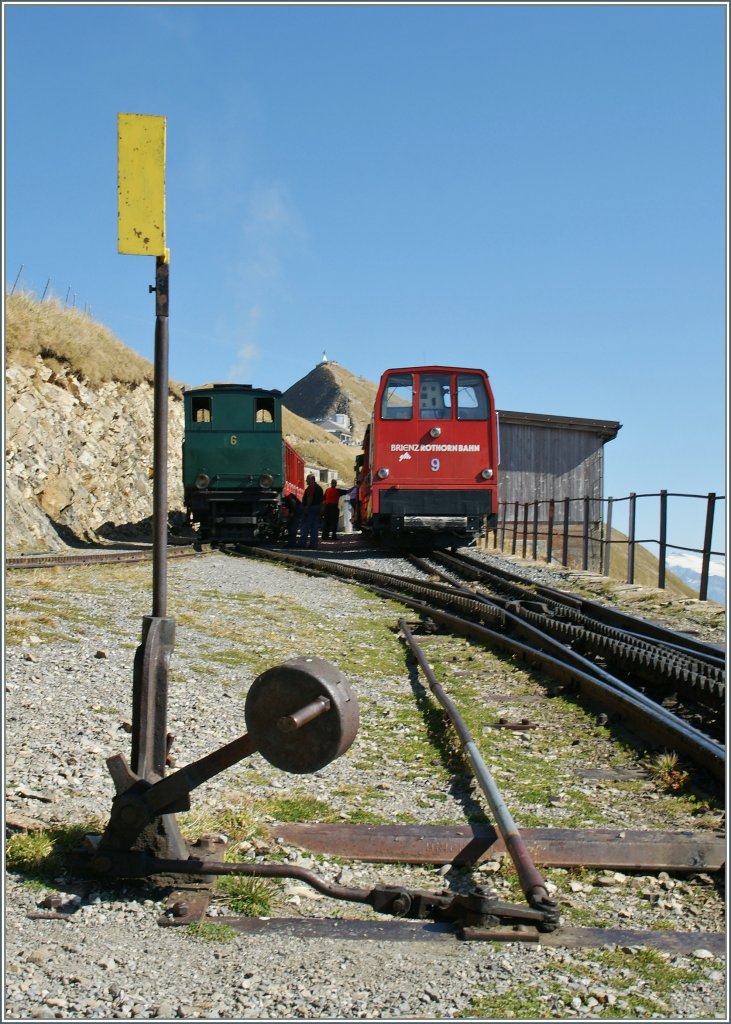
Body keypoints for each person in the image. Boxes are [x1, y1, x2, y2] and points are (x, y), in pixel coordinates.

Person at [299, 474, 324, 549]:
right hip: (317, 508)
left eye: (307, 479)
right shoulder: (319, 488)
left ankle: (302, 543)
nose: (306, 481)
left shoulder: (311, 487)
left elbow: (310, 497)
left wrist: (307, 507)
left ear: (312, 479)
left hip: (311, 508)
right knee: (314, 528)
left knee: (305, 526)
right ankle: (313, 544)